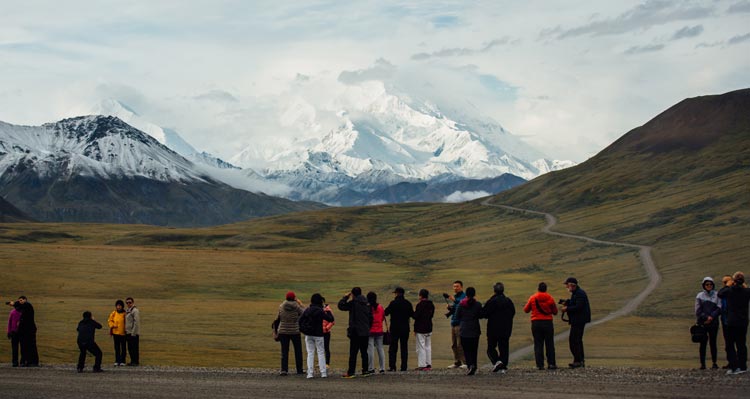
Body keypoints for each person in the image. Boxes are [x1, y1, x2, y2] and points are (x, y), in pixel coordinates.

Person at [718, 271, 750, 375]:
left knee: (730, 344)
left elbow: (720, 293)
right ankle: (743, 366)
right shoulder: (746, 291)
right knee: (741, 344)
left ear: (734, 281)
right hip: (743, 321)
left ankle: (733, 366)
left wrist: (727, 285)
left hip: (731, 321)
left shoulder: (729, 291)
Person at [481, 282, 516, 373]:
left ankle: (497, 362)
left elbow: (484, 313)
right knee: (504, 347)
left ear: (494, 290)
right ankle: (502, 364)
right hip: (506, 329)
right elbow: (513, 312)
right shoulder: (508, 301)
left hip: (493, 329)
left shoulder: (491, 301)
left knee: (491, 348)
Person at [523, 282, 558, 370]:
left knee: (538, 344)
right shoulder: (550, 298)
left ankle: (540, 365)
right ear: (546, 289)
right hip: (548, 323)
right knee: (549, 343)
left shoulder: (533, 298)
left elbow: (526, 310)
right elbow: (555, 312)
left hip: (536, 322)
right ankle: (551, 364)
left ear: (538, 288)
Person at [301, 293, 334, 379]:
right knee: (321, 352)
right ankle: (323, 373)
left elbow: (300, 321)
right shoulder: (320, 311)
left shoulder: (308, 310)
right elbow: (331, 319)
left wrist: (303, 330)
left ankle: (310, 373)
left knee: (310, 353)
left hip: (308, 334)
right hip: (319, 334)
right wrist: (328, 310)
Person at [561, 277, 590, 368]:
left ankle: (578, 361)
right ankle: (580, 360)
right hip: (578, 320)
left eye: (567, 285)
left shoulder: (579, 293)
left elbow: (579, 307)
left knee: (574, 340)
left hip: (578, 320)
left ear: (571, 285)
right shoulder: (576, 293)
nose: (566, 287)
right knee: (577, 340)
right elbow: (577, 304)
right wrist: (568, 302)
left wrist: (567, 308)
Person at [385, 287, 414, 372]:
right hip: (405, 329)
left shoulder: (393, 303)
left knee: (393, 348)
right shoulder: (408, 303)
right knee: (404, 347)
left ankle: (392, 366)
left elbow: (386, 313)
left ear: (397, 293)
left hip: (394, 328)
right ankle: (404, 367)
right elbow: (412, 314)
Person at [695, 277, 721, 370]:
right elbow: (698, 311)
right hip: (703, 323)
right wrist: (706, 317)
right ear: (704, 285)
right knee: (703, 343)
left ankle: (714, 363)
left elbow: (719, 308)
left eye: (710, 284)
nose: (709, 286)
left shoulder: (717, 295)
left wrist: (712, 317)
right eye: (707, 284)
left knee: (713, 343)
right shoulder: (700, 296)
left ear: (713, 285)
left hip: (714, 323)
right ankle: (703, 364)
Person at [455, 287, 482, 375]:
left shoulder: (461, 304)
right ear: (474, 294)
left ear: (466, 294)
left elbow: (457, 316)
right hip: (475, 329)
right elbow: (480, 315)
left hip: (464, 329)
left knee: (466, 349)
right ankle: (474, 365)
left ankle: (470, 365)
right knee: (474, 349)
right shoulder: (477, 304)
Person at [277, 291, 305, 376]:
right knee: (298, 351)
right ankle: (299, 369)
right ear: (294, 298)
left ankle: (284, 370)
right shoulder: (296, 306)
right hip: (294, 330)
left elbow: (279, 317)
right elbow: (304, 313)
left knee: (284, 351)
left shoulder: (281, 306)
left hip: (283, 331)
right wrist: (300, 304)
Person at [446, 280, 467, 368]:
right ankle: (457, 361)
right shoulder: (455, 297)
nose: (455, 288)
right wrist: (450, 308)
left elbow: (462, 304)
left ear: (461, 287)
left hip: (460, 323)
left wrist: (453, 300)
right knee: (454, 344)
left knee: (460, 344)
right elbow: (456, 308)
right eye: (454, 286)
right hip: (453, 322)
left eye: (457, 286)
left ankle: (465, 362)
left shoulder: (464, 296)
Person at [413, 289, 435, 371]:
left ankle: (422, 364)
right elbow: (431, 315)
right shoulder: (431, 304)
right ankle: (428, 364)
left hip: (420, 328)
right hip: (429, 327)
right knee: (428, 346)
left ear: (421, 295)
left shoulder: (420, 305)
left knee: (421, 346)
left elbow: (416, 316)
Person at [15, 296, 39, 367]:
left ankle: (33, 362)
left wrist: (14, 303)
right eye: (19, 301)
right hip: (25, 331)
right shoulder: (23, 308)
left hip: (30, 330)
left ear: (25, 300)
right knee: (25, 346)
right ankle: (27, 361)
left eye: (21, 300)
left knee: (31, 345)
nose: (20, 302)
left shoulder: (28, 305)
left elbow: (21, 306)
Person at [366, 291, 386, 374]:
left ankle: (371, 367)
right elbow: (382, 318)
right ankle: (382, 368)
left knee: (370, 349)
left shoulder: (367, 307)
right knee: (380, 349)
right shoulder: (380, 307)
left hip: (370, 330)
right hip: (379, 330)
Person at [107, 300, 127, 367]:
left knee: (123, 348)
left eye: (120, 306)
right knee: (117, 347)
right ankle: (117, 360)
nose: (118, 307)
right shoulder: (114, 313)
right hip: (115, 333)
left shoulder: (125, 313)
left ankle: (123, 361)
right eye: (117, 306)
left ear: (122, 306)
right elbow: (110, 320)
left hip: (123, 333)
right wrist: (112, 325)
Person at [720, 275, 733, 369]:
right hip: (725, 321)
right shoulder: (723, 292)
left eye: (726, 282)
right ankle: (731, 361)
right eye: (724, 282)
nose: (725, 284)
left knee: (737, 342)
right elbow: (719, 294)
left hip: (733, 321)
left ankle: (738, 363)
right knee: (728, 343)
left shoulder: (734, 291)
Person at [125, 297, 140, 366]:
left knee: (134, 348)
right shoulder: (128, 310)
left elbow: (136, 322)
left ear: (133, 302)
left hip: (133, 333)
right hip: (128, 332)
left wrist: (133, 333)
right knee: (130, 348)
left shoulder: (135, 311)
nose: (128, 304)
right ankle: (132, 361)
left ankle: (135, 361)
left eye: (130, 302)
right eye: (127, 303)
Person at [6, 302, 22, 367]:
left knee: (22, 348)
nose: (16, 308)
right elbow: (9, 322)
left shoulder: (22, 312)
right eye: (15, 306)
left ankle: (22, 361)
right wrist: (8, 332)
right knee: (15, 348)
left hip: (21, 332)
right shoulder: (12, 312)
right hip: (14, 332)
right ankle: (15, 362)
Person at [321, 297, 335, 370]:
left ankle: (327, 363)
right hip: (319, 332)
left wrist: (327, 328)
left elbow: (332, 321)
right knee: (320, 348)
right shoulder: (319, 310)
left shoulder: (328, 310)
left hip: (326, 332)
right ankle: (321, 362)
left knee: (326, 347)